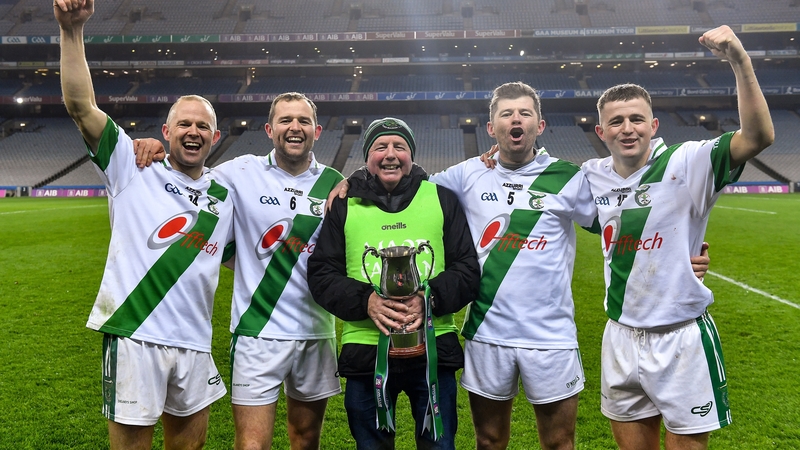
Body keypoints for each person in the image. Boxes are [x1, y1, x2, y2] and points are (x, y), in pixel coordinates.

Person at [332, 83, 710, 450]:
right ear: (491, 127)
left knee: (559, 442)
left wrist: (677, 259)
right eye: (507, 114)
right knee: (490, 441)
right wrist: (354, 180)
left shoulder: (569, 178)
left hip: (551, 337)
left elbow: (624, 225)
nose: (517, 120)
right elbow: (404, 183)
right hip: (487, 333)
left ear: (539, 126)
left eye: (525, 113)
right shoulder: (465, 176)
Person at [581, 25, 773, 450]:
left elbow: (758, 137)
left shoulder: (689, 163)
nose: (627, 128)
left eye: (635, 119)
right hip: (620, 336)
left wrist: (739, 60)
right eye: (615, 121)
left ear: (653, 125)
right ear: (601, 132)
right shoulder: (590, 179)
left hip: (681, 337)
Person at [55, 1, 233, 448]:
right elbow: (81, 106)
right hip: (136, 334)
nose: (194, 132)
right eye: (184, 125)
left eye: (203, 127)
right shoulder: (133, 165)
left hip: (195, 341)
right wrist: (71, 30)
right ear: (166, 131)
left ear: (215, 136)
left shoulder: (226, 195)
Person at [135, 92, 345, 450]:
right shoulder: (238, 172)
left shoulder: (336, 183)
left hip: (315, 331)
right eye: (285, 120)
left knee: (307, 439)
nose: (294, 127)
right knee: (251, 445)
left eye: (303, 121)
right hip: (255, 332)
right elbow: (189, 174)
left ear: (317, 131)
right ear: (269, 129)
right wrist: (156, 146)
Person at [307, 118, 480, 449]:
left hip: (433, 349)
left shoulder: (442, 199)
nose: (390, 155)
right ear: (367, 157)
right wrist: (366, 302)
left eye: (399, 147)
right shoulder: (343, 203)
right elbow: (321, 273)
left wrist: (430, 299)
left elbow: (467, 269)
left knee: (439, 446)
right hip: (366, 354)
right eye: (380, 147)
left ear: (411, 155)